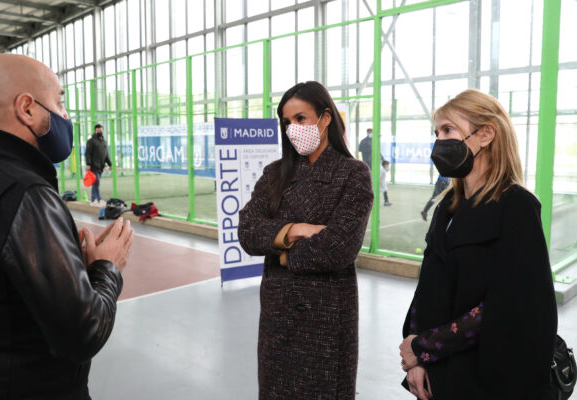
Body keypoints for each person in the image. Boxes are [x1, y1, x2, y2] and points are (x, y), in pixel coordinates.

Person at [0, 53, 134, 399]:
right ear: (27, 109)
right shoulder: (26, 193)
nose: (65, 115)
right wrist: (107, 267)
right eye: (59, 102)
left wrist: (67, 267)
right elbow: (83, 335)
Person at [398, 89, 557, 400]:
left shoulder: (517, 207)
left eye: (448, 130)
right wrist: (415, 357)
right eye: (436, 133)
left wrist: (423, 347)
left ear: (485, 134)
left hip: (487, 381)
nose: (439, 142)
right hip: (438, 375)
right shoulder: (448, 207)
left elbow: (505, 308)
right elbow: (427, 287)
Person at [238, 81, 374, 399]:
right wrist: (295, 230)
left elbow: (338, 248)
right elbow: (247, 231)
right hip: (278, 314)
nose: (293, 129)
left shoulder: (353, 174)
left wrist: (279, 249)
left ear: (325, 118)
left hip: (326, 316)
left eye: (301, 118)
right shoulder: (274, 174)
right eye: (287, 122)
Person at [85, 123, 112, 206]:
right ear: (95, 131)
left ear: (103, 130)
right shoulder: (91, 141)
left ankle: (95, 200)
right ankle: (97, 199)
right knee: (96, 182)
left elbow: (106, 155)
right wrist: (88, 164)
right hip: (93, 166)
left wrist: (110, 164)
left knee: (96, 183)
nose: (99, 131)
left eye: (100, 130)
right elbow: (87, 153)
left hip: (101, 167)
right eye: (97, 130)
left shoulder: (104, 142)